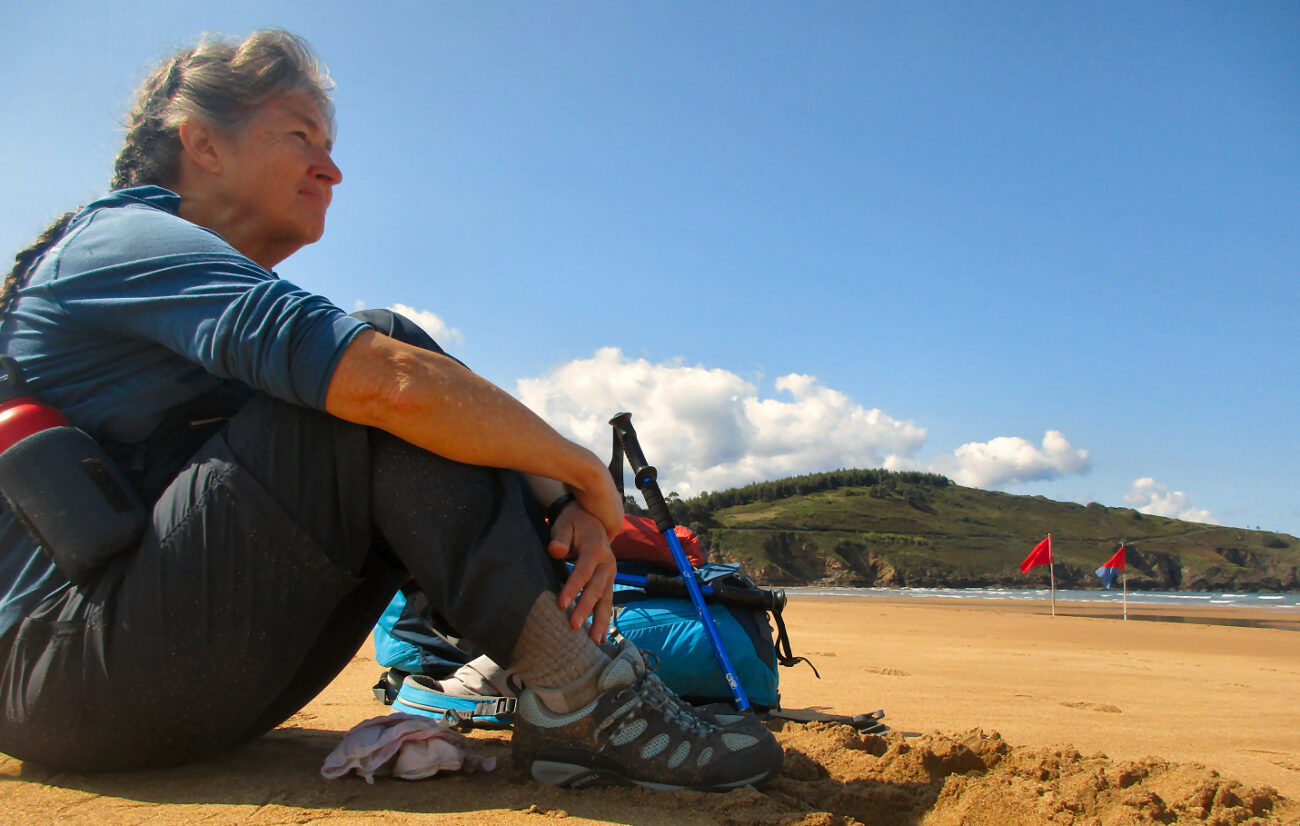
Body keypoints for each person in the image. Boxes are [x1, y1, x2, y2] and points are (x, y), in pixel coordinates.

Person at [0, 30, 781, 791]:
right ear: (203, 143)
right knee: (377, 360)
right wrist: (583, 474)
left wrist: (559, 497)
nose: (331, 170)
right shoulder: (115, 243)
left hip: (161, 680)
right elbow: (386, 381)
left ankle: (576, 682)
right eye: (301, 135)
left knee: (397, 381)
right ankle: (578, 696)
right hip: (65, 673)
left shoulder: (182, 280)